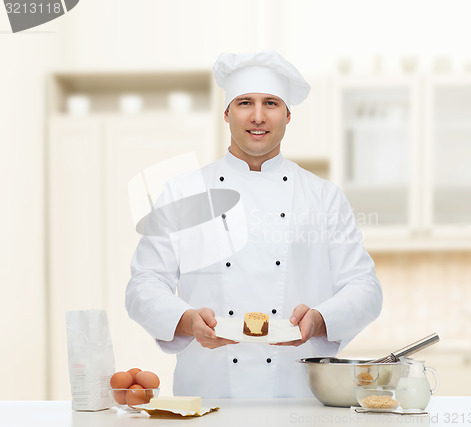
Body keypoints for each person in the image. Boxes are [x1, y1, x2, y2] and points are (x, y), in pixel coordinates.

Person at [126, 51, 382, 398]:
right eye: (245, 102)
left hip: (297, 397)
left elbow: (365, 288)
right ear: (227, 113)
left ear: (288, 115)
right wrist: (186, 320)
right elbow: (144, 284)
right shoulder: (184, 192)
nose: (258, 117)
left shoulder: (323, 196)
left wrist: (320, 317)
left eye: (271, 104)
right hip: (208, 396)